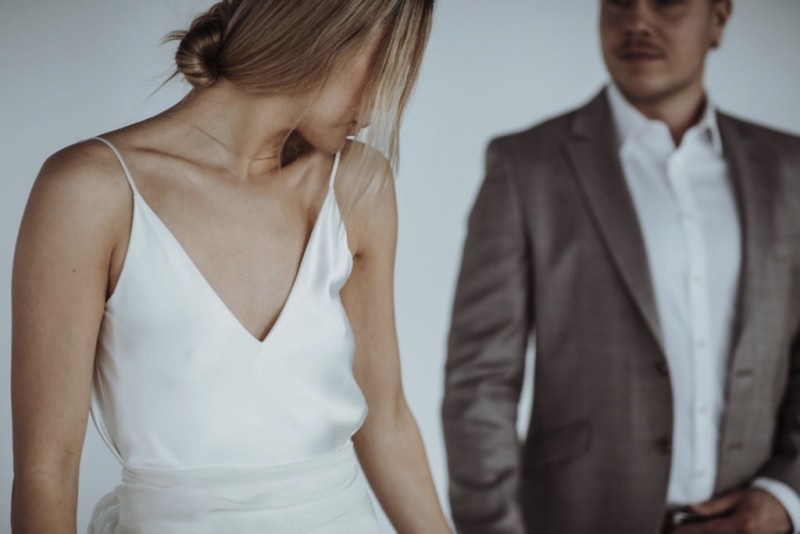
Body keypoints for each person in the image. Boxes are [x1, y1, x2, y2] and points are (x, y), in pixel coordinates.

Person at [11, 1, 452, 532]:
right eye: (385, 65)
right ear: (321, 36)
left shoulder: (358, 185)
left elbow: (387, 422)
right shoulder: (90, 192)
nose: (381, 104)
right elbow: (47, 471)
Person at [443, 0, 800, 532]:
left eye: (667, 2)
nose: (636, 21)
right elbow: (481, 383)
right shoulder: (527, 166)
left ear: (719, 19)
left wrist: (786, 494)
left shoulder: (789, 169)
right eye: (617, 3)